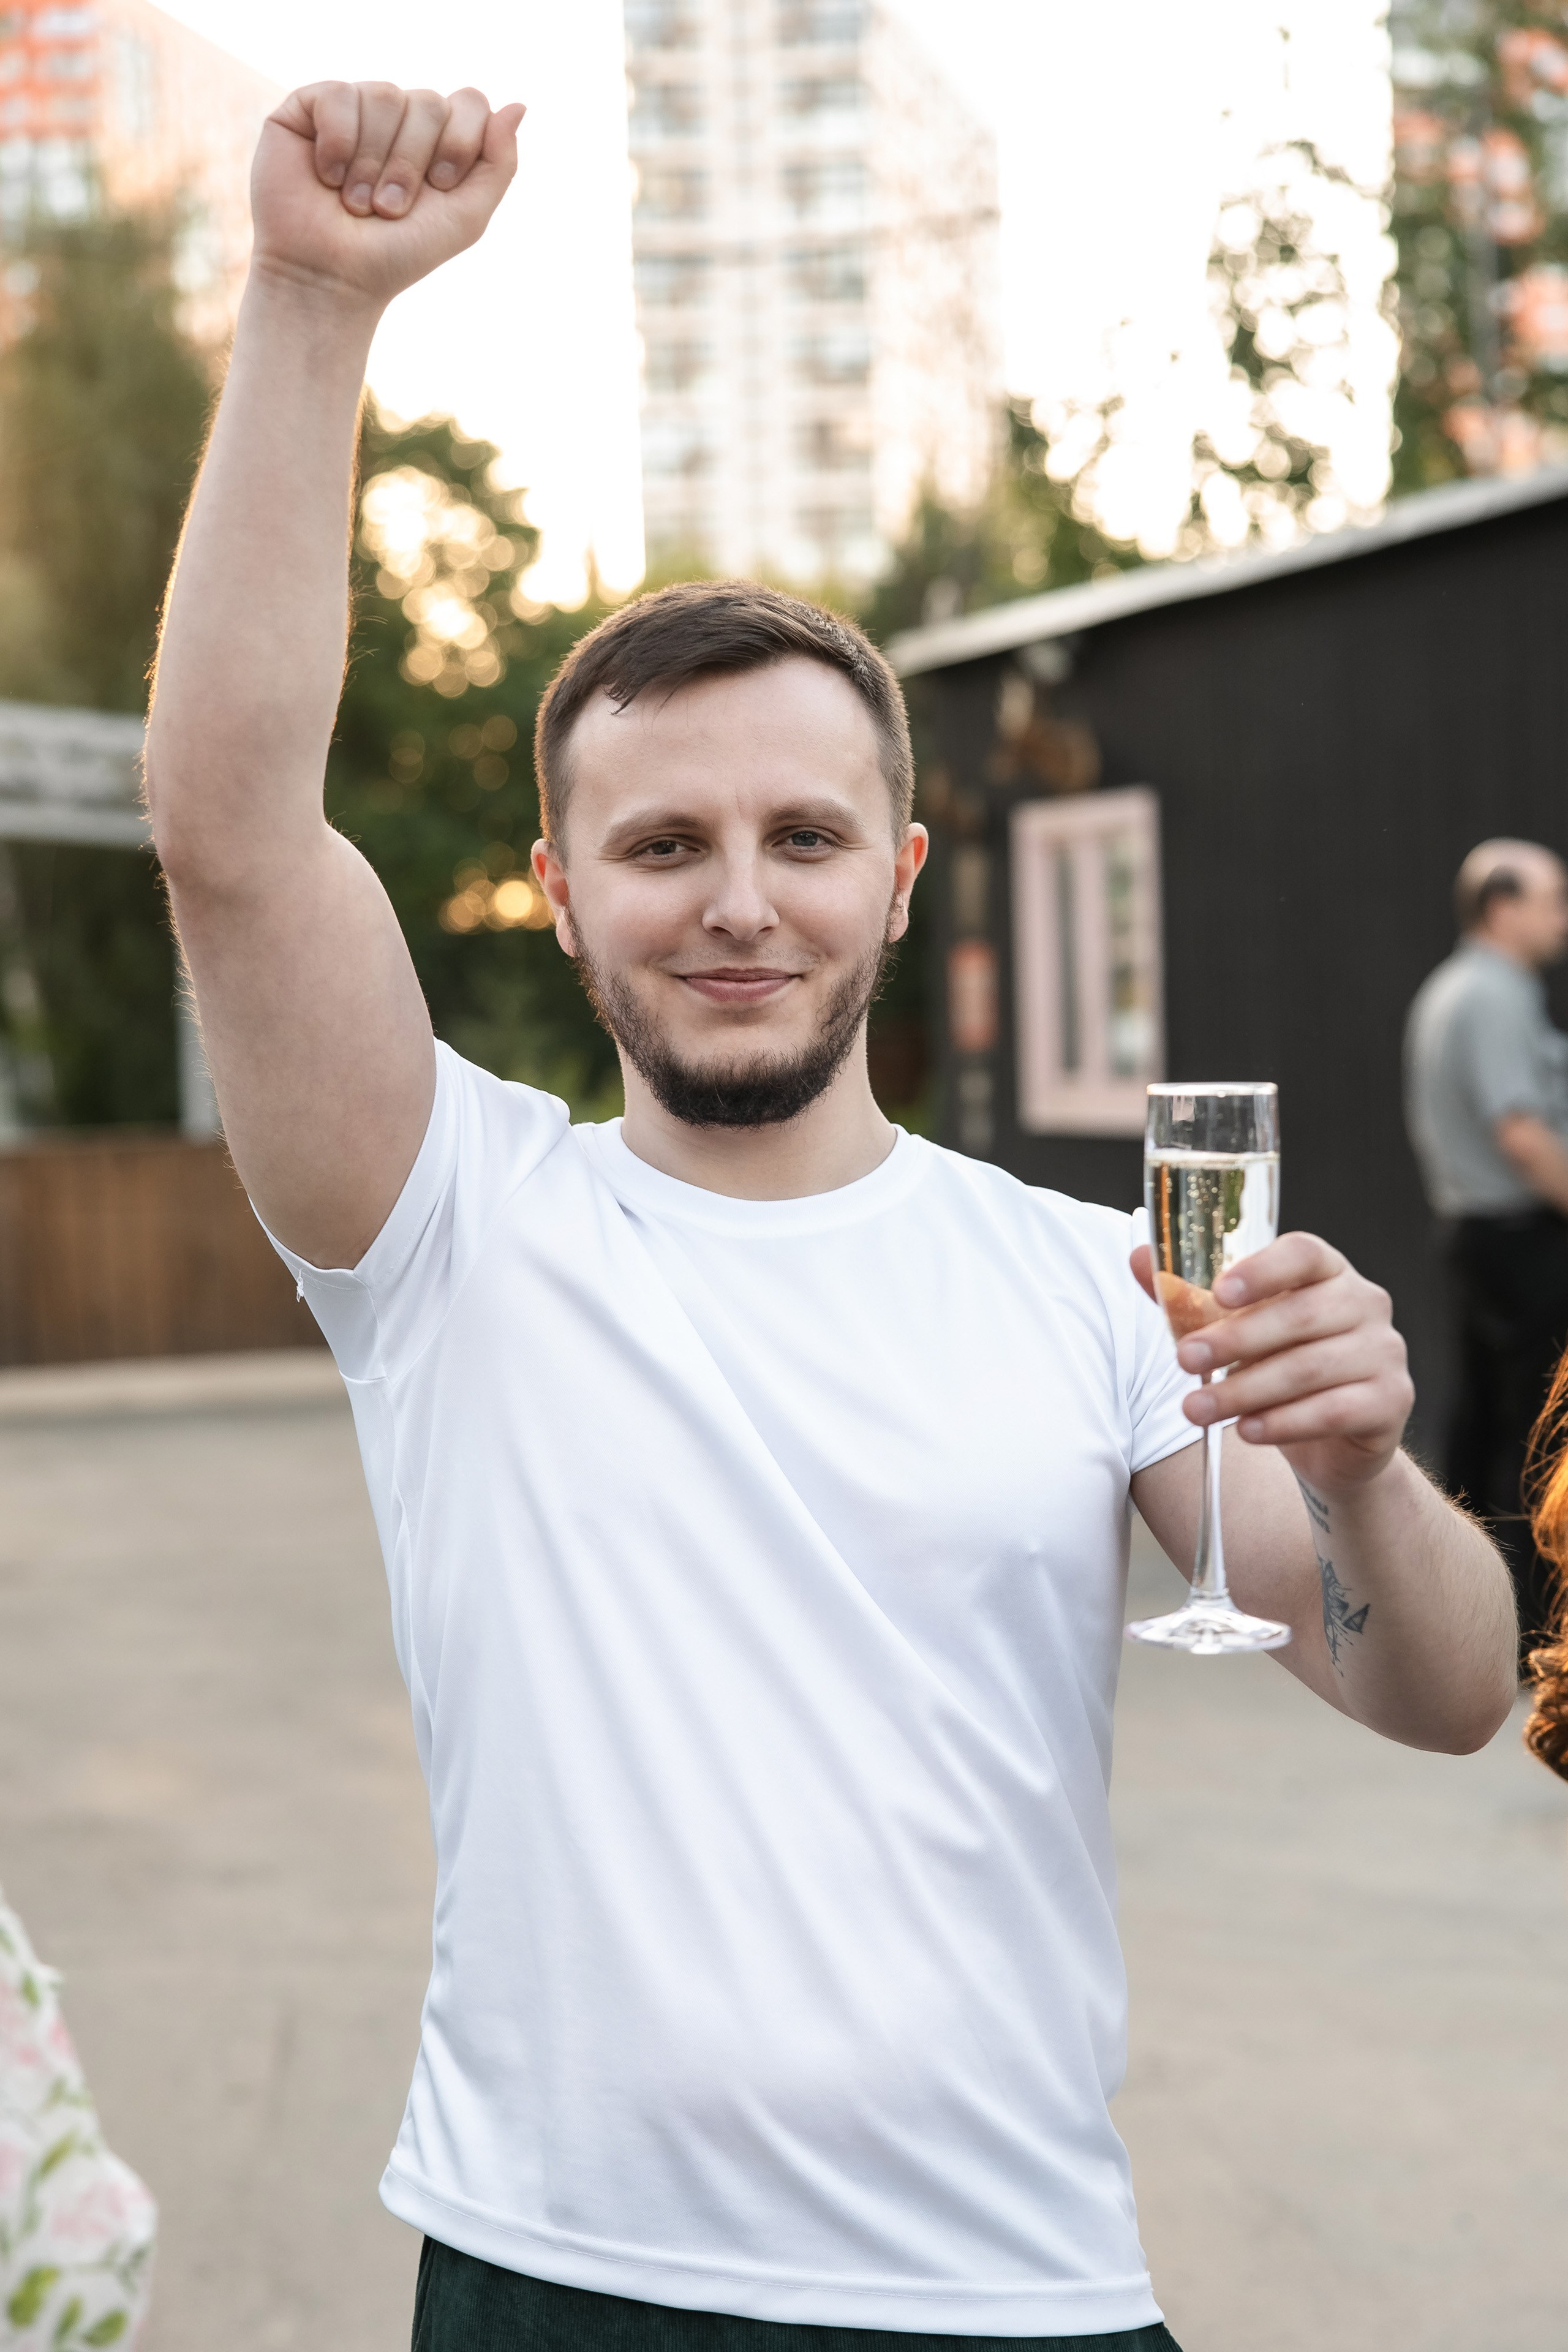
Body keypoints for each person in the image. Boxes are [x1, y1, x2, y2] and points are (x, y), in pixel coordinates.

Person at [143, 79, 1518, 2352]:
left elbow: (1441, 1694)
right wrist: (310, 301)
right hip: (563, 2278)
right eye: (662, 846)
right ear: (565, 900)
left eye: (801, 837)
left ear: (894, 880)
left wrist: (1369, 1474)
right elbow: (230, 830)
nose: (737, 903)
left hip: (1022, 2292)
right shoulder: (451, 1223)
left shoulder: (1095, 1285)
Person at [1404, 839, 1568, 1662]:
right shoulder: (1497, 996)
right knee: (1540, 1434)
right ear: (1503, 909)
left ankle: (1467, 1618)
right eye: (1552, 901)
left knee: (1480, 1430)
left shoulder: (1449, 990)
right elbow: (1522, 1133)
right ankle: (1537, 1631)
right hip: (1520, 1239)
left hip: (1474, 1236)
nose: (1562, 920)